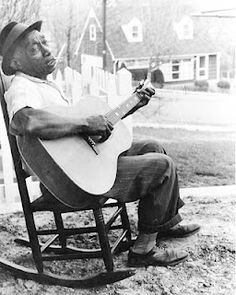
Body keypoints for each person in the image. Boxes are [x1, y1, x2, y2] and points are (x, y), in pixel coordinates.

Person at [0, 21, 200, 268]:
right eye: (34, 48)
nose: (46, 50)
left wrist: (131, 105)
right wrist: (84, 124)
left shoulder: (45, 87)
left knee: (153, 147)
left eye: (44, 43)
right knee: (162, 166)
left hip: (83, 170)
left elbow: (77, 136)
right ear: (16, 63)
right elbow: (23, 120)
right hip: (69, 184)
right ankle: (143, 251)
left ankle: (164, 223)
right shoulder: (22, 87)